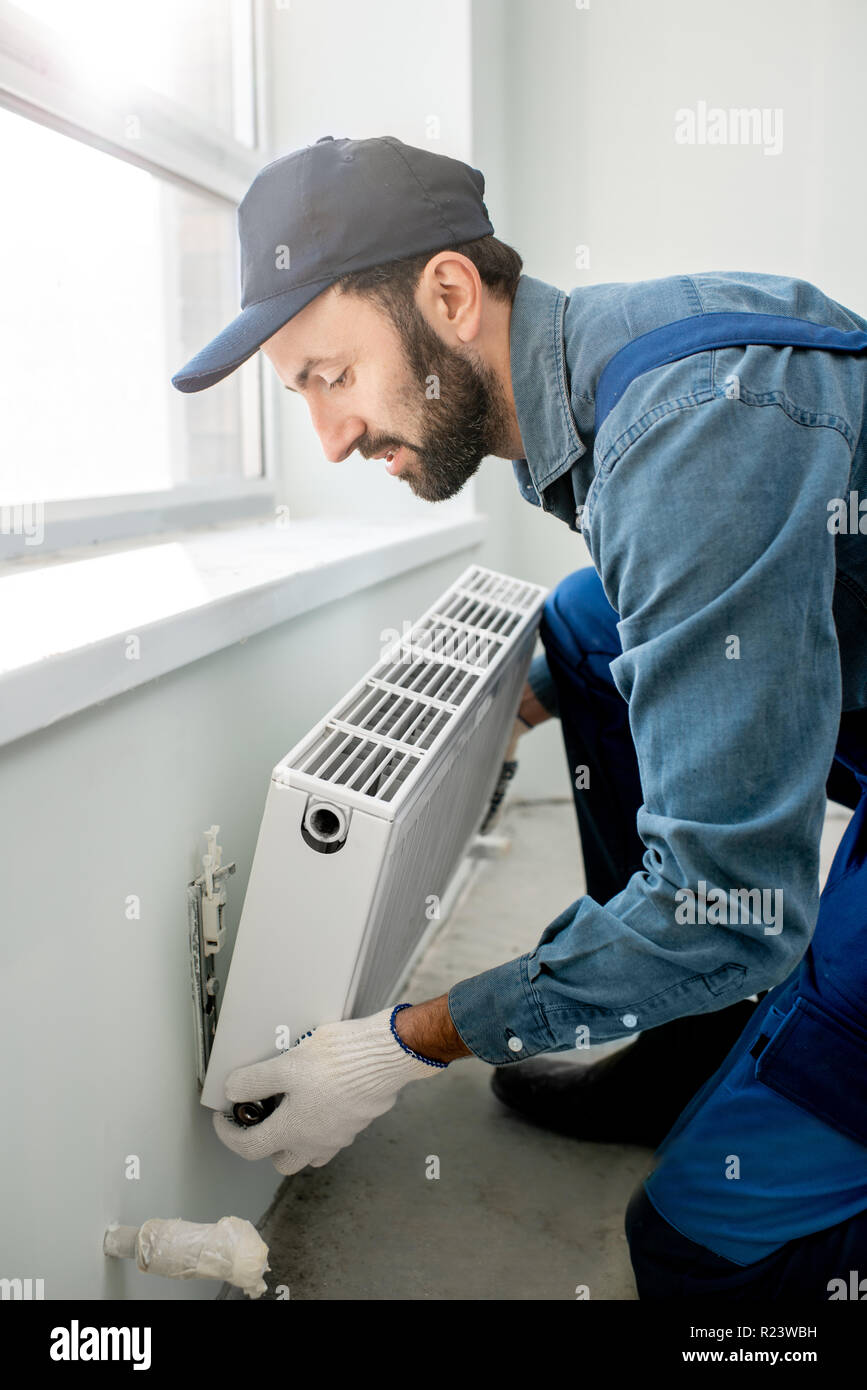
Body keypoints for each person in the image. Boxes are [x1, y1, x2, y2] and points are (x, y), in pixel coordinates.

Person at [172, 135, 867, 1299]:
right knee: (584, 628)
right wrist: (496, 724)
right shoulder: (608, 377)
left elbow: (729, 905)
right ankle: (691, 1043)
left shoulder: (690, 434)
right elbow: (647, 615)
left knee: (706, 1244)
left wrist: (406, 1042)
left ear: (448, 294)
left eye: (331, 377)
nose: (331, 438)